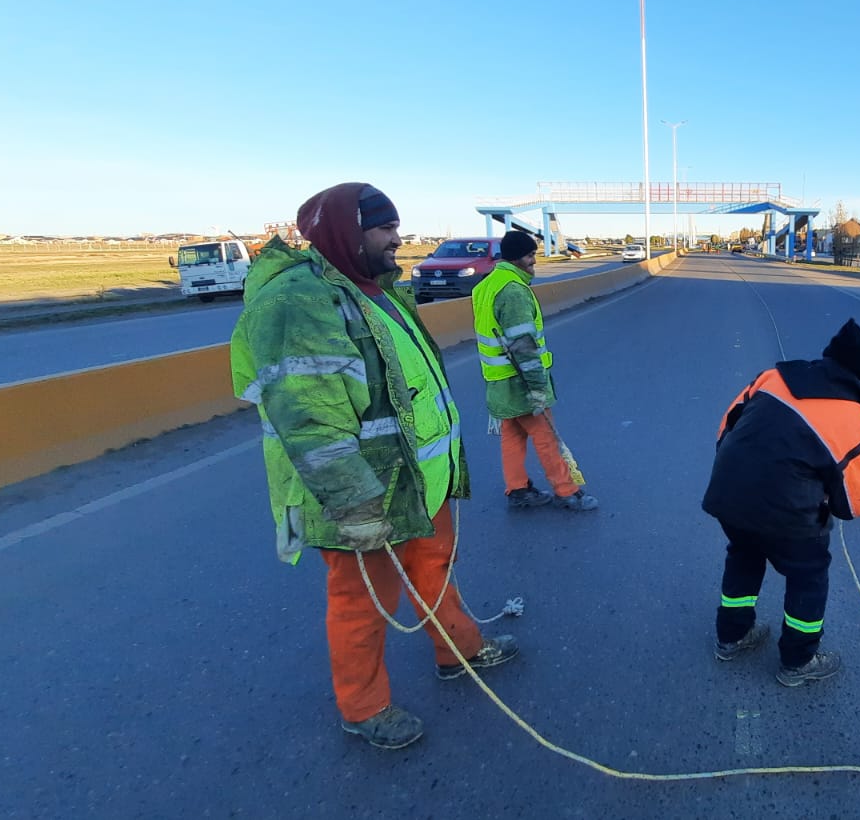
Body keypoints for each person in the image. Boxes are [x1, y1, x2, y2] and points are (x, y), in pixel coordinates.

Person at [230, 182, 518, 751]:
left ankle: (458, 651)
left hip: (417, 481)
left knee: (434, 569)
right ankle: (364, 707)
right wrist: (355, 503)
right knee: (361, 601)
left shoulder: (377, 292)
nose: (398, 238)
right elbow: (310, 417)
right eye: (384, 228)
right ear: (345, 232)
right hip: (363, 493)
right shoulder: (300, 302)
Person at [702, 318, 860, 687]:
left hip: (728, 492)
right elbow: (853, 504)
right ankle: (798, 662)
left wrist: (740, 475)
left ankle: (730, 638)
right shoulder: (853, 418)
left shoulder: (772, 378)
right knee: (808, 575)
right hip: (788, 514)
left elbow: (727, 426)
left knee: (745, 554)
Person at [471, 229, 598, 511]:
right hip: (520, 382)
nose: (534, 262)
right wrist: (538, 388)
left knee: (513, 435)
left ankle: (517, 489)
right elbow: (524, 347)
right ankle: (566, 491)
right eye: (530, 256)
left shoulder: (486, 285)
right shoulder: (513, 291)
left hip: (497, 380)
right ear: (517, 258)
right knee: (546, 436)